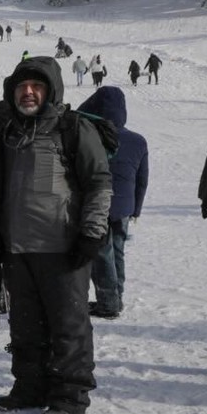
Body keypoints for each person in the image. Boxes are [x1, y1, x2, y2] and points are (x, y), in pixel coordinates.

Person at [0, 56, 110, 414]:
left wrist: (91, 232)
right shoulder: (7, 131)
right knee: (25, 326)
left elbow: (99, 183)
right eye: (22, 87)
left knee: (68, 325)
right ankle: (30, 385)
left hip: (62, 249)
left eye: (37, 86)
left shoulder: (71, 129)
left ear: (51, 90)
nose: (28, 93)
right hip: (17, 249)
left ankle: (70, 394)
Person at [77, 87, 148, 320]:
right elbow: (142, 180)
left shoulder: (92, 136)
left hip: (100, 205)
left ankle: (109, 304)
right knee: (117, 252)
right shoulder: (138, 140)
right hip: (125, 207)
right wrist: (136, 208)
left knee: (103, 255)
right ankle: (117, 296)